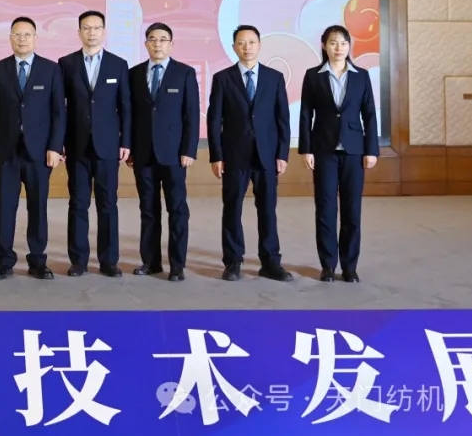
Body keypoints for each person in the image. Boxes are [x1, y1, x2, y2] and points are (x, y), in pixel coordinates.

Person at [207, 25, 292, 282]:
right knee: (232, 208)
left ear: (259, 45)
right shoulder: (223, 78)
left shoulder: (274, 78)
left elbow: (282, 119)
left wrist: (282, 154)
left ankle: (271, 262)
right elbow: (214, 120)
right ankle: (233, 261)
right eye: (241, 43)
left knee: (267, 210)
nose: (247, 47)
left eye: (252, 42)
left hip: (267, 155)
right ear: (234, 47)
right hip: (234, 155)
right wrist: (216, 155)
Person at [0, 16, 65, 280]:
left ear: (35, 38)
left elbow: (58, 113)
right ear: (10, 38)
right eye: (17, 34)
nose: (22, 39)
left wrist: (55, 147)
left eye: (27, 34)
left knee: (37, 208)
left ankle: (38, 260)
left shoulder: (51, 70)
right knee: (6, 208)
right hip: (6, 152)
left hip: (39, 153)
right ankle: (4, 261)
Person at [298, 25, 379, 283]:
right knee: (325, 209)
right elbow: (305, 114)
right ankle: (328, 265)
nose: (339, 48)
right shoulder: (313, 76)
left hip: (354, 151)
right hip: (323, 150)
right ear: (324, 45)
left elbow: (369, 114)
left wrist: (371, 150)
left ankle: (349, 266)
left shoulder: (361, 76)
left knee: (352, 210)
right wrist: (306, 149)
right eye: (333, 42)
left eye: (343, 43)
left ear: (349, 46)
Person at [59, 10, 131, 277]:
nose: (92, 32)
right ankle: (78, 260)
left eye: (96, 28)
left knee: (107, 204)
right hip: (76, 145)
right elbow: (59, 108)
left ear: (104, 31)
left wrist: (126, 141)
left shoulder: (117, 64)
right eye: (86, 28)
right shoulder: (66, 63)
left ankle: (109, 260)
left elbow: (125, 107)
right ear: (79, 32)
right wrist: (59, 142)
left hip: (108, 146)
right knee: (78, 203)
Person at [128, 22, 198, 281]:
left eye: (163, 39)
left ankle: (177, 265)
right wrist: (130, 148)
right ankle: (151, 261)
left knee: (177, 210)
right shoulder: (134, 74)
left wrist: (189, 150)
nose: (157, 44)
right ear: (145, 43)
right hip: (143, 154)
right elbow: (129, 115)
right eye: (152, 39)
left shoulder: (184, 73)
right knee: (148, 209)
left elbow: (191, 115)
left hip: (175, 155)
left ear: (171, 44)